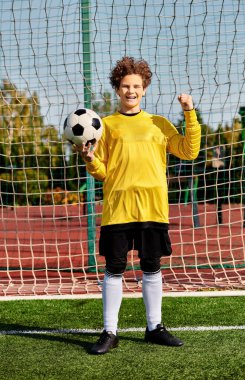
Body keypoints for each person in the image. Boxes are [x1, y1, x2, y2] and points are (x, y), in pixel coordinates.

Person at [78, 56, 201, 355]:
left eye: (136, 85)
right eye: (125, 86)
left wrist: (189, 113)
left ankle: (154, 327)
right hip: (119, 208)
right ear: (117, 89)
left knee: (151, 266)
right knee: (114, 267)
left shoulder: (158, 123)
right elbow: (103, 172)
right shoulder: (105, 126)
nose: (130, 91)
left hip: (153, 208)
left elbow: (189, 151)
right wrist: (91, 160)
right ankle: (109, 331)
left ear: (144, 88)